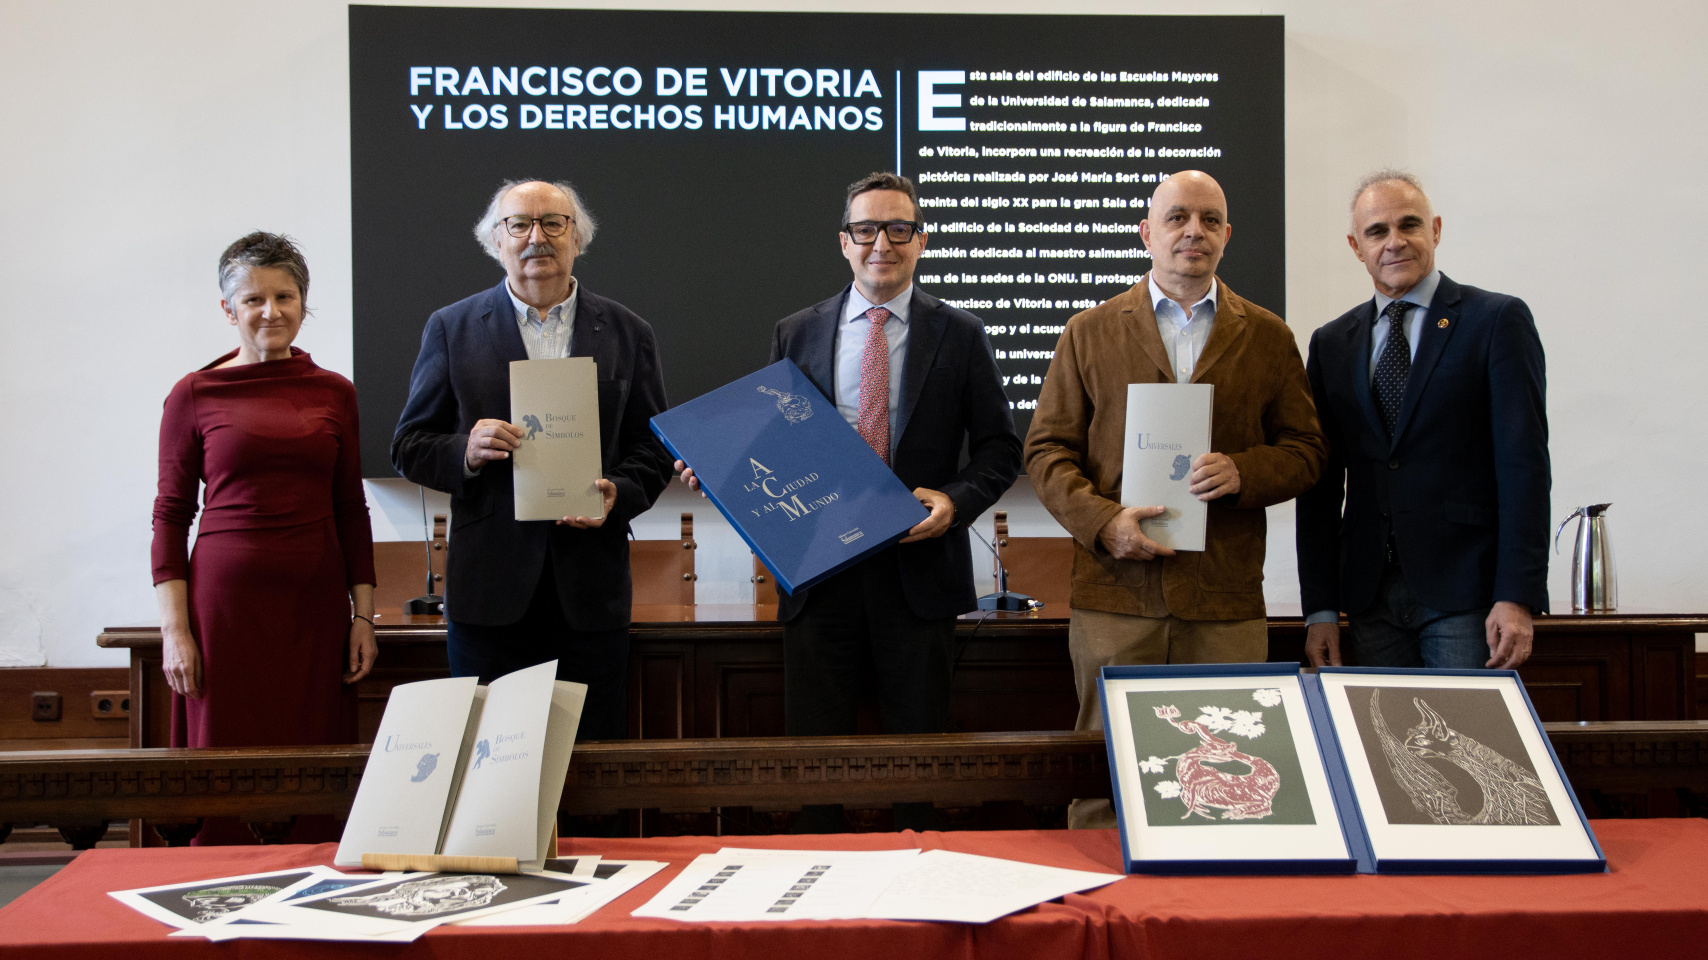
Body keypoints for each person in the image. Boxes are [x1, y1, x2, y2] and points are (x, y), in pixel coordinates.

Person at [1024, 170, 1326, 828]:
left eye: (1210, 220)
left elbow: (1306, 450)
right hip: (1116, 592)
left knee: (1231, 777)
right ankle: (1101, 887)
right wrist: (1105, 523)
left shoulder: (1268, 336)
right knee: (1106, 777)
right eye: (1178, 217)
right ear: (1147, 233)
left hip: (1224, 599)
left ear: (1227, 235)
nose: (1195, 231)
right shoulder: (1088, 331)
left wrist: (1245, 472)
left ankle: (1217, 890)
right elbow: (1046, 451)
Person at [684, 171, 1022, 737]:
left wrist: (955, 502)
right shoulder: (795, 332)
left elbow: (1001, 448)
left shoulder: (962, 333)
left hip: (918, 572)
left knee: (917, 752)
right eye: (865, 230)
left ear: (921, 240)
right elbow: (772, 443)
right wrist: (718, 467)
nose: (881, 244)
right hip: (819, 574)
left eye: (898, 229)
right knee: (815, 754)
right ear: (845, 242)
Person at [392, 179, 671, 741]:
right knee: (490, 769)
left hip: (590, 594)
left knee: (593, 761)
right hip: (489, 597)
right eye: (519, 224)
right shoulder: (451, 328)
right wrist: (465, 451)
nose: (536, 237)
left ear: (577, 238)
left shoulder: (628, 331)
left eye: (553, 223)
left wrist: (618, 493)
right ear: (496, 241)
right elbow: (409, 444)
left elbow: (655, 446)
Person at [153, 233, 377, 840]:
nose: (271, 312)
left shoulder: (335, 391)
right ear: (229, 309)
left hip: (315, 608)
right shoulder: (193, 393)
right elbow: (170, 515)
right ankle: (218, 879)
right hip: (224, 611)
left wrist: (363, 616)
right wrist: (175, 632)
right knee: (223, 761)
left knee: (314, 759)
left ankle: (313, 876)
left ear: (303, 303)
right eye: (254, 299)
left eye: (285, 297)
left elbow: (351, 509)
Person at [1296, 171, 1548, 671]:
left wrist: (1516, 595)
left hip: (1466, 593)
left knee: (1457, 724)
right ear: (1356, 247)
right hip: (1369, 597)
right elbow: (1320, 487)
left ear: (1435, 230)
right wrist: (1320, 609)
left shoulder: (1496, 320)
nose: (1395, 242)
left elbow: (1524, 467)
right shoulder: (1332, 343)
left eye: (1409, 224)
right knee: (1379, 724)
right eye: (1377, 231)